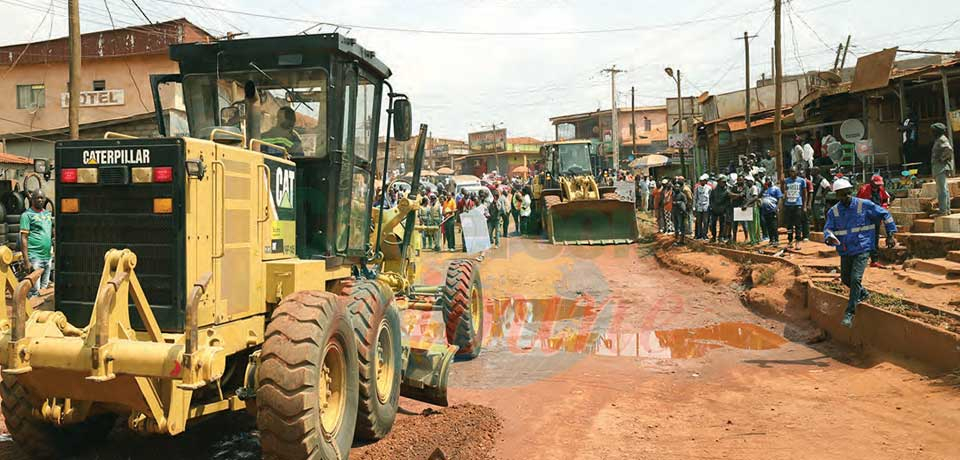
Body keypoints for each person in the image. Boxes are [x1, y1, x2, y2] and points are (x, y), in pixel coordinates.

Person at [823, 178, 897, 328]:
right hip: (845, 249)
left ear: (850, 191)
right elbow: (828, 228)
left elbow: (885, 214)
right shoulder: (834, 211)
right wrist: (829, 237)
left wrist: (891, 234)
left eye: (847, 193)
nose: (845, 197)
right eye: (841, 194)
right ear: (837, 195)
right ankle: (862, 294)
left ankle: (849, 313)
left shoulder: (864, 205)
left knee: (855, 278)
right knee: (845, 279)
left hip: (862, 247)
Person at [20, 190, 54, 297]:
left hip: (47, 257)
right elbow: (24, 238)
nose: (39, 200)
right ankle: (32, 312)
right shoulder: (27, 215)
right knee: (34, 291)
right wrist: (26, 261)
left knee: (44, 291)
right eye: (37, 198)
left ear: (45, 200)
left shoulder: (48, 214)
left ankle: (41, 312)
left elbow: (51, 234)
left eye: (42, 198)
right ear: (32, 200)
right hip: (34, 258)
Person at [857, 175, 891, 267]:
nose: (877, 187)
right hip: (866, 218)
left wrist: (883, 207)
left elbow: (886, 199)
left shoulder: (881, 190)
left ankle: (874, 260)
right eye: (876, 185)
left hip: (876, 217)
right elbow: (859, 204)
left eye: (879, 185)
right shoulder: (864, 190)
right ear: (871, 183)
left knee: (875, 238)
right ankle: (861, 259)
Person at [931, 123, 955, 216]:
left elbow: (949, 150)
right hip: (939, 167)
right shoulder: (939, 139)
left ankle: (943, 211)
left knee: (942, 190)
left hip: (940, 167)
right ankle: (946, 210)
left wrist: (942, 159)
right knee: (944, 189)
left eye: (933, 131)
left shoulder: (941, 139)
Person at [782, 166, 809, 250]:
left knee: (798, 224)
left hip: (798, 204)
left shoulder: (801, 181)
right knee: (789, 225)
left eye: (793, 171)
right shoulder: (786, 181)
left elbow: (805, 194)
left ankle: (798, 241)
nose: (792, 173)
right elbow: (784, 192)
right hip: (788, 204)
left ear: (797, 172)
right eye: (790, 171)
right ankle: (790, 241)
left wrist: (804, 205)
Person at [709, 175, 731, 243]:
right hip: (714, 209)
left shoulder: (727, 190)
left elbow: (728, 201)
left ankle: (720, 236)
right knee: (712, 224)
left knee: (722, 224)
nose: (723, 183)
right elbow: (711, 198)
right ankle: (714, 236)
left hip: (722, 210)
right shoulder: (714, 190)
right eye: (722, 182)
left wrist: (724, 208)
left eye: (724, 182)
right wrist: (712, 206)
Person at [760, 179, 783, 246]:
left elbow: (780, 199)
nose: (768, 181)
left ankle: (776, 240)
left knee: (774, 226)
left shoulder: (776, 189)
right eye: (766, 180)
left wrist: (777, 208)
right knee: (768, 226)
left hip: (772, 210)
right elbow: (759, 196)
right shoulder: (765, 189)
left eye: (769, 180)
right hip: (765, 211)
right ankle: (771, 240)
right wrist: (763, 189)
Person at [693, 174, 712, 240]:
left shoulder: (709, 188)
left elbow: (710, 197)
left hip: (706, 206)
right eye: (701, 181)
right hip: (699, 206)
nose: (702, 182)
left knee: (706, 221)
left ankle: (705, 234)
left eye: (703, 181)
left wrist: (710, 206)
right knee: (699, 221)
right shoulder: (697, 188)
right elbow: (695, 198)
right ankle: (699, 234)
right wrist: (694, 207)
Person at [671, 178, 689, 245]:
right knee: (676, 227)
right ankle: (676, 239)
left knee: (681, 226)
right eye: (675, 187)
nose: (676, 188)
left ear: (680, 188)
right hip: (674, 212)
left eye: (677, 187)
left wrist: (678, 203)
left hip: (680, 213)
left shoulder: (682, 195)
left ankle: (682, 240)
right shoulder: (673, 195)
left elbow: (685, 203)